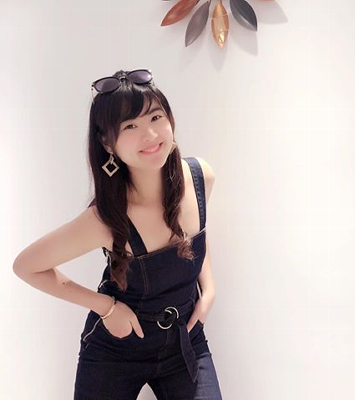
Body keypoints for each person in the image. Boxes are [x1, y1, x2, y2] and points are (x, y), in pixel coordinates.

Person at [13, 69, 223, 399]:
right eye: (130, 127)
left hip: (184, 341)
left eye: (155, 117)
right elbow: (26, 266)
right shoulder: (106, 218)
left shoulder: (200, 177)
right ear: (107, 143)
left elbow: (197, 235)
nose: (150, 134)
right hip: (116, 349)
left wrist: (208, 288)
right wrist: (107, 308)